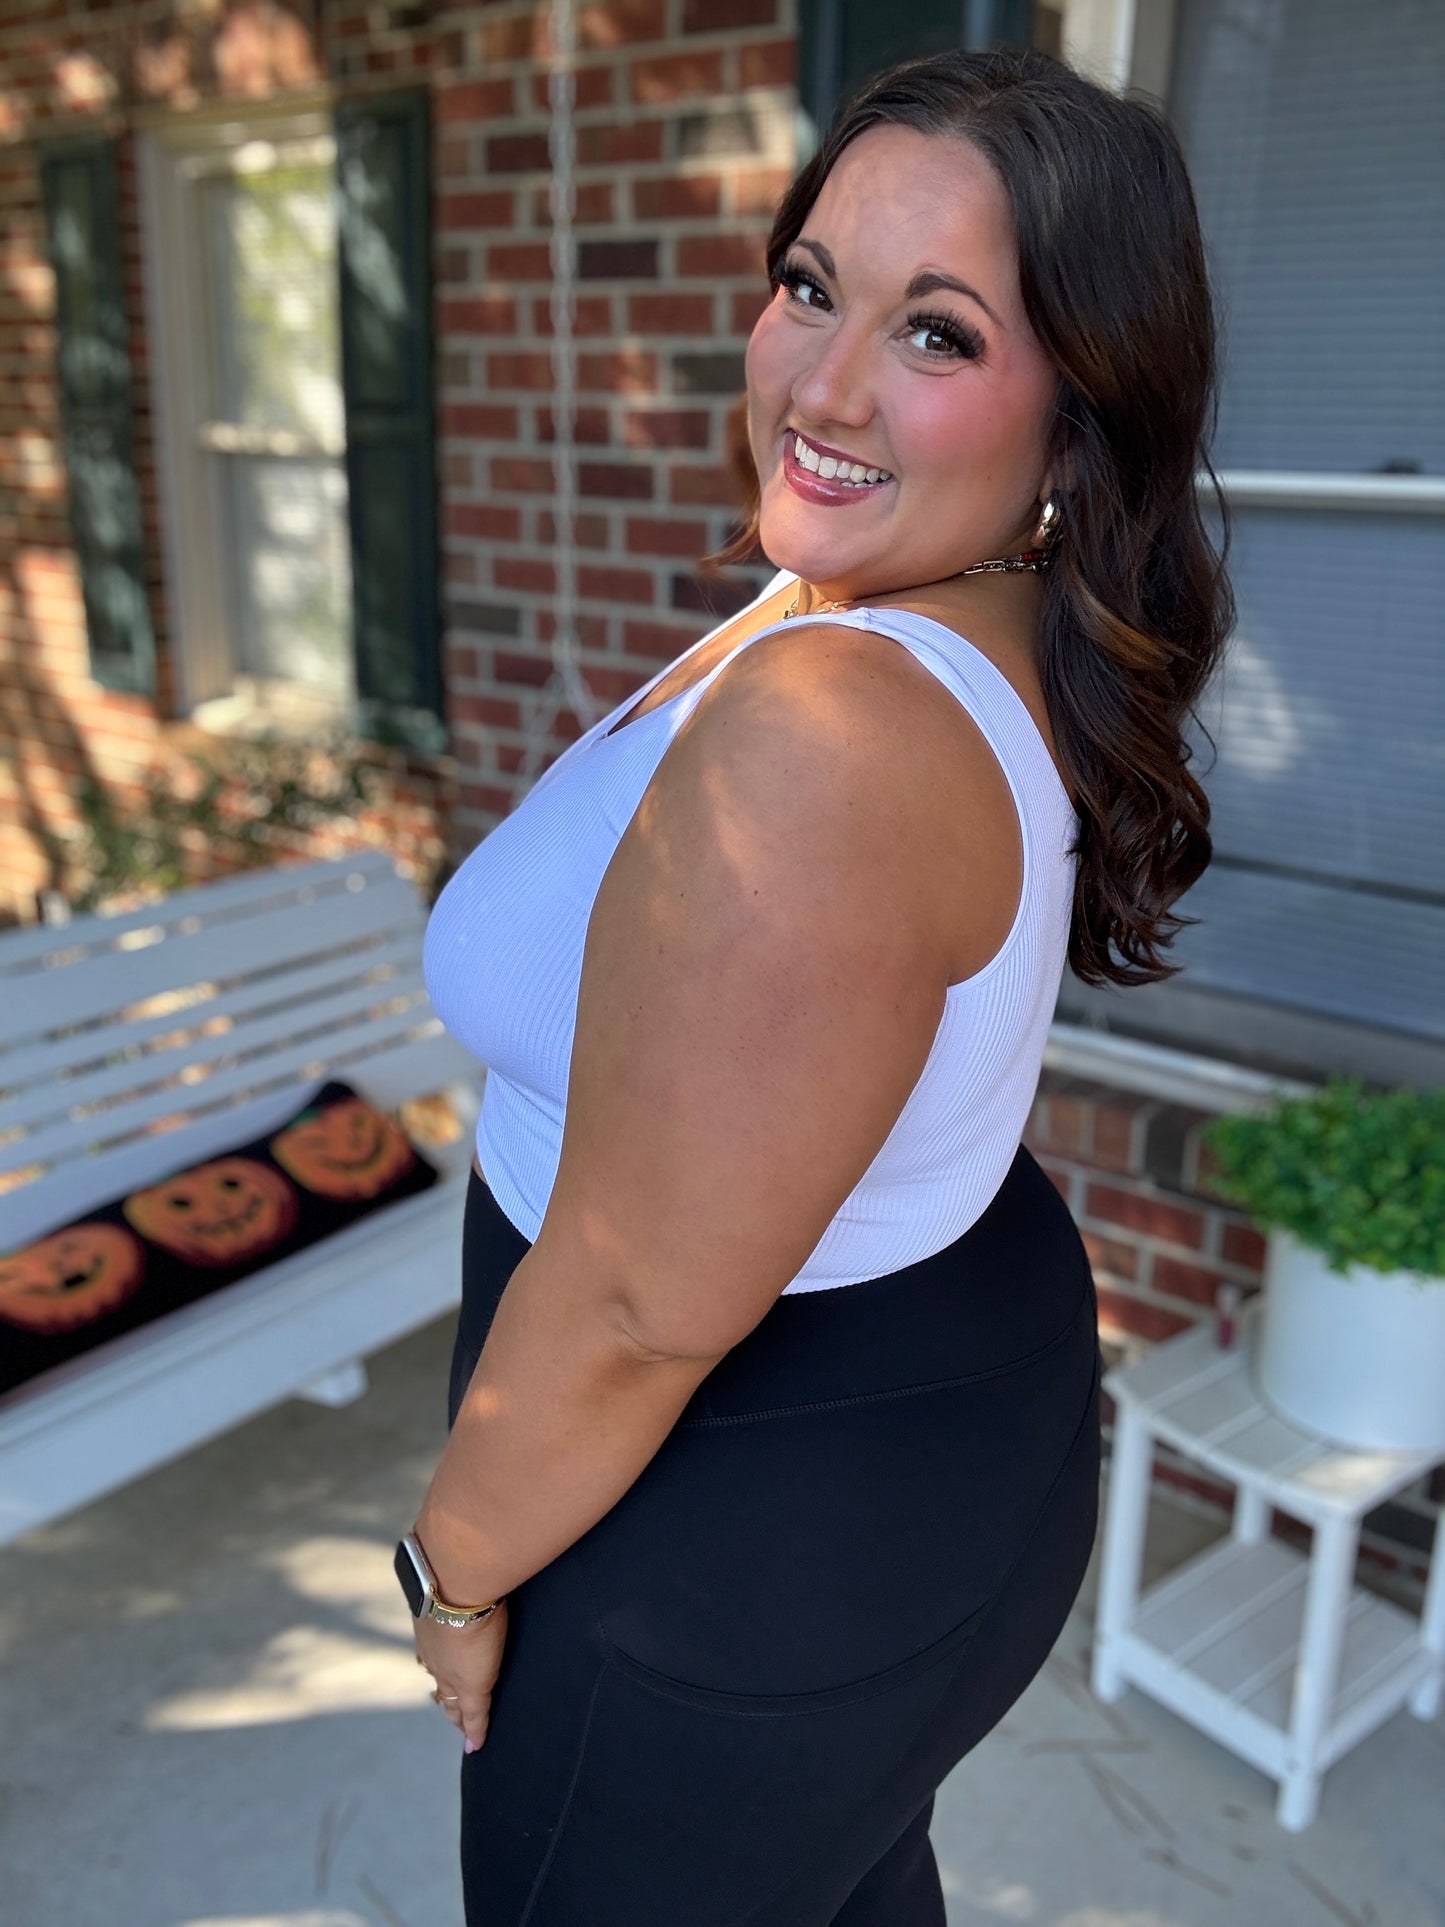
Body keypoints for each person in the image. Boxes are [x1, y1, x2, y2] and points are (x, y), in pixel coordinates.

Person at [406, 45, 1232, 1926]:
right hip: (907, 1410)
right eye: (809, 288)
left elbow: (622, 1304)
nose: (826, 387)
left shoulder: (835, 730)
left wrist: (452, 1565)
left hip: (727, 1504)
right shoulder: (909, 605)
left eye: (937, 336)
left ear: (1081, 412)